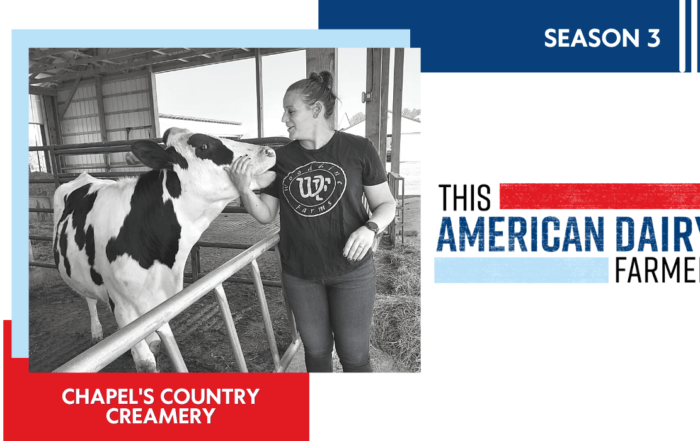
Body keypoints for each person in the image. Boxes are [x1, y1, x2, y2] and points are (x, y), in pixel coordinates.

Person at [227, 71, 396, 372]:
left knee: (355, 356)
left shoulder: (358, 149)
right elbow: (266, 214)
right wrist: (243, 188)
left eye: (290, 111)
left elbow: (386, 204)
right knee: (316, 354)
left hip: (351, 271)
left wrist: (370, 228)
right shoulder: (280, 159)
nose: (284, 118)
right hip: (301, 274)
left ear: (316, 110)